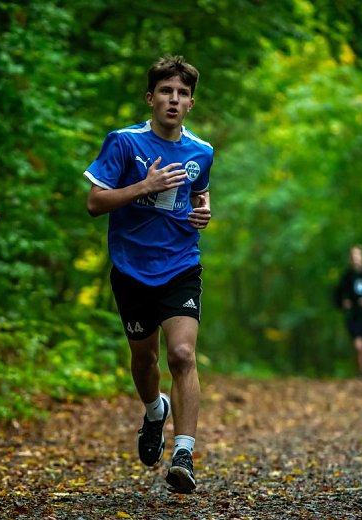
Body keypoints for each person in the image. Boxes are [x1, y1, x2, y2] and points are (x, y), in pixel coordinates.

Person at [83, 55, 213, 493]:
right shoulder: (123, 143)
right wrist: (143, 186)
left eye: (181, 94)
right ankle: (154, 411)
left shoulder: (202, 150)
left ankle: (184, 454)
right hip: (131, 269)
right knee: (145, 360)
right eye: (165, 91)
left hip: (180, 265)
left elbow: (199, 190)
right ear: (151, 98)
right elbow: (94, 203)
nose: (173, 100)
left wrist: (204, 210)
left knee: (181, 355)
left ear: (190, 103)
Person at [333, 245, 362, 377]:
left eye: (358, 256)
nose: (355, 259)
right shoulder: (346, 277)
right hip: (353, 316)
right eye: (353, 256)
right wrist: (343, 303)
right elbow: (337, 294)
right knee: (359, 346)